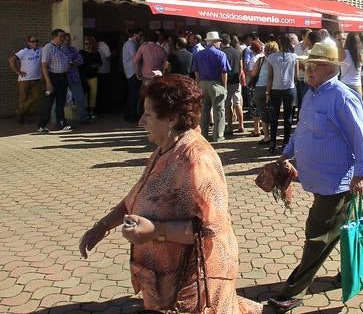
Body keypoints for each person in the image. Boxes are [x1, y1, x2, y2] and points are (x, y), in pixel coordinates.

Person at [78, 75, 262, 314]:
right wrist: (101, 227)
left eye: (148, 114)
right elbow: (133, 199)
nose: (140, 121)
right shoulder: (164, 149)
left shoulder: (195, 159)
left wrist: (156, 230)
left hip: (194, 282)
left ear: (173, 119)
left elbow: (209, 231)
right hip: (164, 278)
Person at [268, 41, 363, 313]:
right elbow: (302, 129)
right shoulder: (312, 93)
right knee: (341, 228)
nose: (306, 70)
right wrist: (286, 154)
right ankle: (354, 271)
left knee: (318, 236)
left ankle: (294, 291)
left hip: (337, 181)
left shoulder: (342, 95)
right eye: (306, 65)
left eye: (312, 66)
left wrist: (361, 173)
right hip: (320, 179)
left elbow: (361, 138)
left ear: (328, 68)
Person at [191, 31, 230, 143]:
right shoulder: (221, 54)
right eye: (218, 41)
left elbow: (196, 72)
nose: (219, 43)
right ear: (214, 42)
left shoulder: (199, 54)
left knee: (204, 110)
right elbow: (224, 72)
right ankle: (218, 136)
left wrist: (198, 84)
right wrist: (224, 86)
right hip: (216, 84)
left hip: (202, 83)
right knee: (219, 111)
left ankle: (203, 135)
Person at [264, 35, 299, 152]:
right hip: (289, 88)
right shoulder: (294, 57)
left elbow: (270, 77)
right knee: (288, 117)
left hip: (275, 89)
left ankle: (273, 142)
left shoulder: (271, 57)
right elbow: (297, 76)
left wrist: (268, 92)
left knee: (274, 116)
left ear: (279, 44)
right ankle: (286, 143)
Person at [37, 29, 70, 133]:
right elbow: (44, 65)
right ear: (54, 37)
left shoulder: (62, 48)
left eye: (63, 37)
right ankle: (42, 126)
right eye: (61, 36)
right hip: (52, 77)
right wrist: (48, 82)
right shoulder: (48, 48)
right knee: (48, 102)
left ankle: (62, 124)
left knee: (61, 102)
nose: (63, 38)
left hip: (63, 77)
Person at [8, 35, 42, 124]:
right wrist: (17, 71)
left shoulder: (40, 50)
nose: (35, 43)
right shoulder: (24, 51)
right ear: (28, 42)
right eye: (33, 41)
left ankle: (20, 112)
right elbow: (11, 59)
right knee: (22, 98)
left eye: (36, 41)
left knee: (36, 97)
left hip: (37, 78)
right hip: (24, 79)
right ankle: (21, 117)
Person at [220, 34, 246, 137]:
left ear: (221, 42)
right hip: (236, 81)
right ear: (230, 41)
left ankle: (229, 126)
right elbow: (241, 66)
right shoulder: (237, 51)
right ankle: (241, 125)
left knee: (228, 105)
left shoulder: (221, 53)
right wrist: (239, 78)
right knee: (237, 103)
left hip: (226, 82)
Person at [62, 33, 89, 124]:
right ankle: (57, 119)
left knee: (80, 97)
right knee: (59, 99)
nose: (69, 42)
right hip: (63, 77)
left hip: (74, 77)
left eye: (70, 40)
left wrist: (73, 63)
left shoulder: (73, 49)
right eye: (67, 40)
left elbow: (80, 60)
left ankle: (83, 118)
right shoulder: (59, 50)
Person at [123, 28, 143, 122]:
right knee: (133, 95)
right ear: (135, 34)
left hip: (132, 71)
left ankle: (129, 114)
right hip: (132, 72)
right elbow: (135, 57)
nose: (141, 37)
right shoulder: (131, 44)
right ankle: (131, 115)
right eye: (140, 34)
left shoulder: (133, 43)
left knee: (133, 94)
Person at [79, 36, 102, 120]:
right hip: (83, 76)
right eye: (85, 43)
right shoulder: (81, 52)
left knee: (93, 94)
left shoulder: (96, 53)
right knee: (84, 94)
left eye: (89, 43)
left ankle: (91, 112)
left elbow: (100, 63)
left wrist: (95, 65)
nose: (87, 45)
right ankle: (84, 112)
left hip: (93, 75)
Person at [248, 40, 268, 138]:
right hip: (267, 85)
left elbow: (253, 73)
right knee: (265, 108)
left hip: (257, 85)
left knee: (255, 107)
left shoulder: (255, 59)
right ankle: (265, 129)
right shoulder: (267, 58)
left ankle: (257, 129)